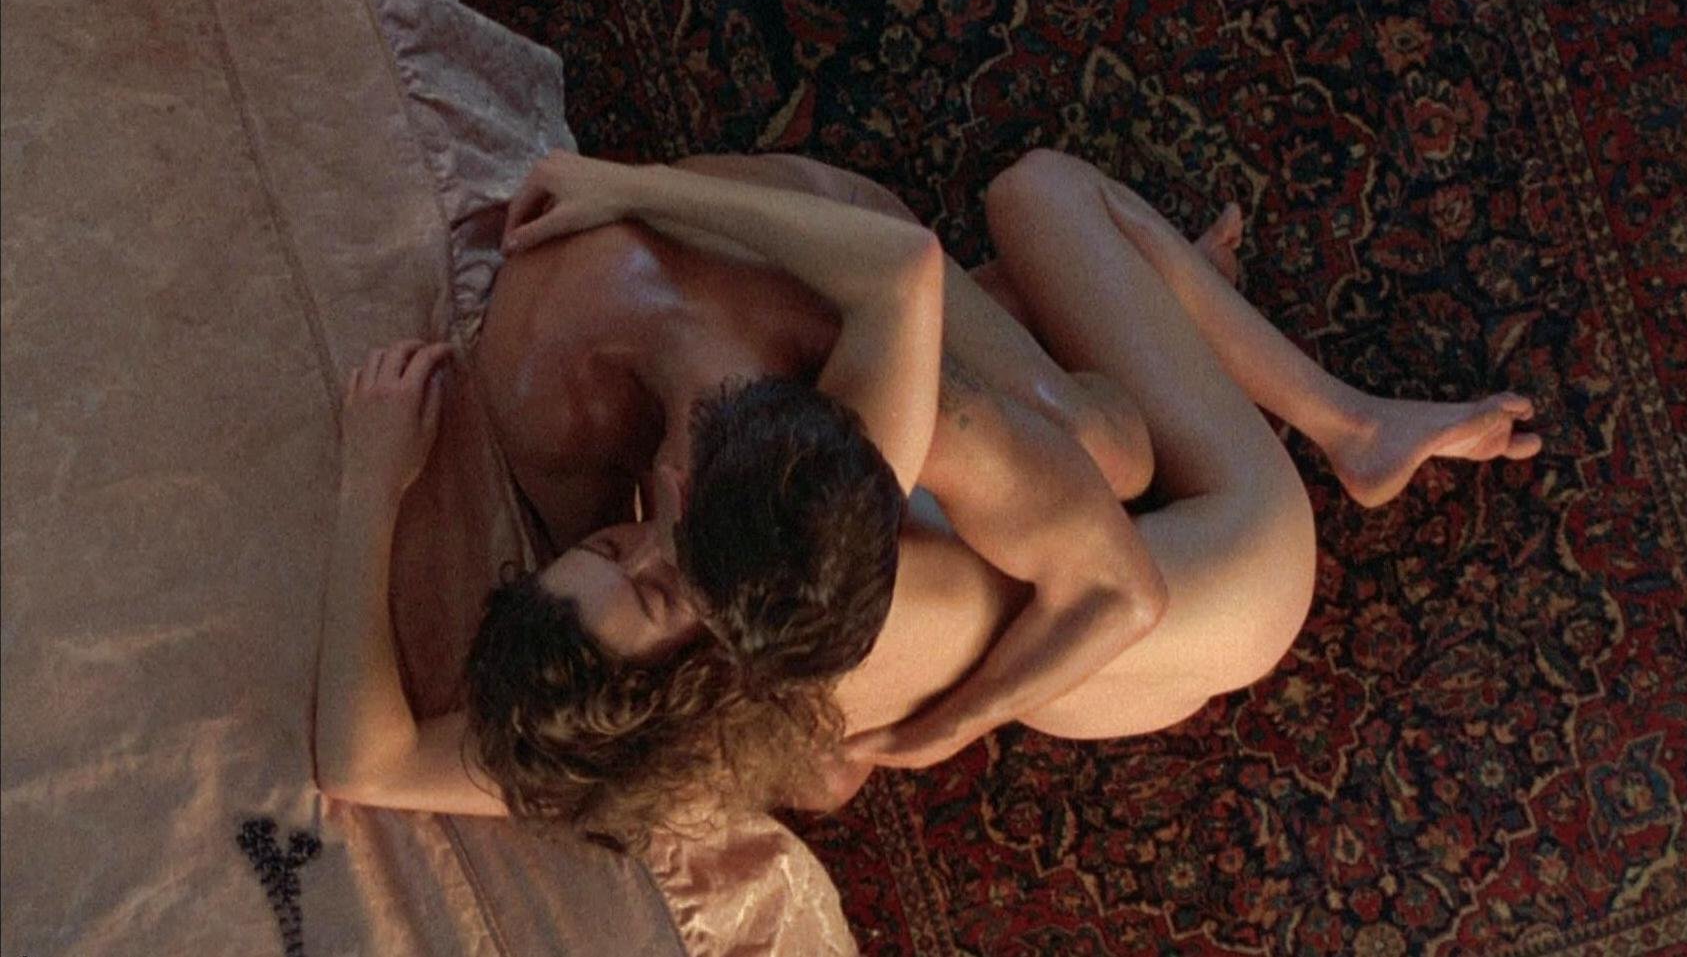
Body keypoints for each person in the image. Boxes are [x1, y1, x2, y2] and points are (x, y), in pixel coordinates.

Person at [312, 148, 1539, 847]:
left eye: (608, 545)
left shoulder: (659, 727)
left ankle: (1139, 349)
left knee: (1073, 422)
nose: (651, 537)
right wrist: (952, 725)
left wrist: (377, 480)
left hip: (1070, 614)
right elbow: (1124, 584)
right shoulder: (847, 485)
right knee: (1047, 201)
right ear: (693, 660)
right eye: (653, 587)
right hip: (1223, 583)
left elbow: (363, 762)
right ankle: (1354, 430)